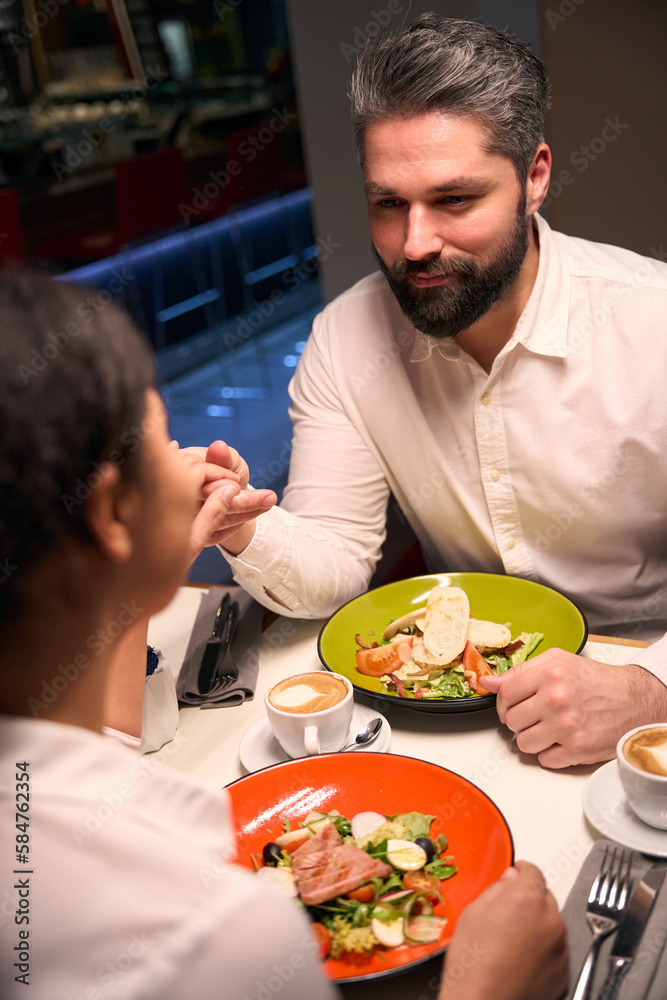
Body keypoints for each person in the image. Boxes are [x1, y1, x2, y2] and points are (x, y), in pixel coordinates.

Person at [0, 271, 567, 1000]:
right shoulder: (217, 929)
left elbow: (92, 753)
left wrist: (133, 575)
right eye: (161, 443)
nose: (187, 458)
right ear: (110, 514)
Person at [203, 13, 667, 770]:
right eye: (388, 204)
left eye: (453, 200)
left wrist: (650, 690)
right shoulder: (344, 338)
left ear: (534, 178)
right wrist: (242, 526)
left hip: (642, 690)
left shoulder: (653, 323)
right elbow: (335, 564)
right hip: (450, 710)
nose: (414, 243)